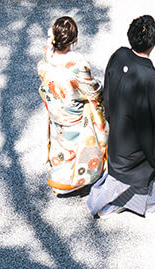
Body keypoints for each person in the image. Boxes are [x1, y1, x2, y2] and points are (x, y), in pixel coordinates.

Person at [86, 14, 155, 218]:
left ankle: (112, 205)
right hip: (139, 144)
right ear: (154, 43)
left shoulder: (118, 55)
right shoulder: (150, 78)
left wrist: (110, 116)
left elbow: (108, 89)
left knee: (118, 175)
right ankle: (152, 208)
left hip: (120, 131)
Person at [37, 16, 108, 195]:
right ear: (73, 41)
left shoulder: (47, 58)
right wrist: (100, 87)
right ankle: (76, 179)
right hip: (73, 114)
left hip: (55, 109)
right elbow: (92, 91)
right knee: (81, 140)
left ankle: (58, 178)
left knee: (60, 144)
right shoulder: (77, 65)